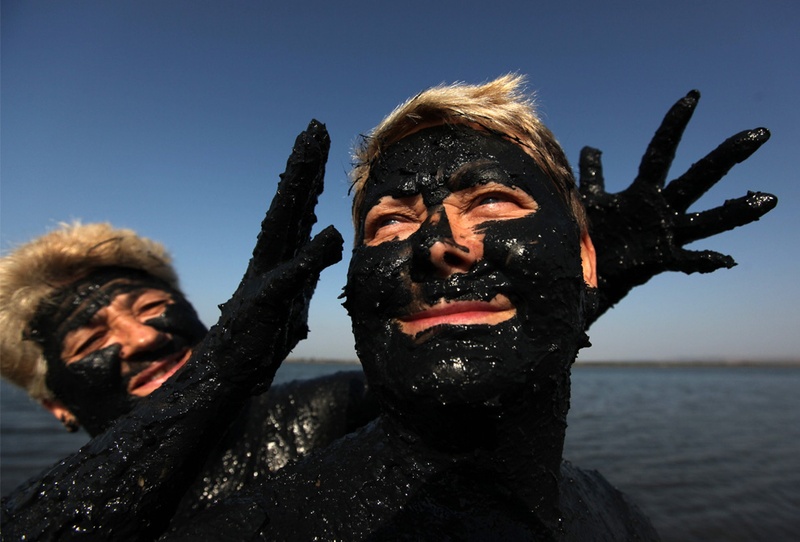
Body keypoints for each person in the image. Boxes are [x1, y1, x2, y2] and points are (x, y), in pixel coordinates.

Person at [0, 77, 776, 540]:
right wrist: (220, 375)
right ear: (53, 404)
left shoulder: (325, 416)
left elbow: (462, 390)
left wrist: (571, 279)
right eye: (91, 335)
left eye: (149, 305)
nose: (139, 338)